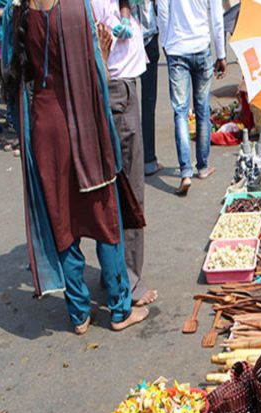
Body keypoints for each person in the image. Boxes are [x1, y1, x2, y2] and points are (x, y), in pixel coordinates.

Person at [1, 0, 148, 333]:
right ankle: (120, 309)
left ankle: (79, 313)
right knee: (105, 215)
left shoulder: (17, 12)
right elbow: (94, 73)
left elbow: (13, 81)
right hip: (82, 122)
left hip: (43, 126)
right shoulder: (75, 8)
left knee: (61, 219)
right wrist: (106, 55)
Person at [92, 0, 157, 307]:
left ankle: (116, 272)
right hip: (116, 85)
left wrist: (127, 14)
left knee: (120, 187)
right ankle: (127, 280)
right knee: (127, 191)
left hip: (124, 82)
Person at [157, 0, 226, 196]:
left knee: (180, 112)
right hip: (201, 47)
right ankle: (202, 167)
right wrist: (221, 54)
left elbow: (162, 12)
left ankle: (186, 172)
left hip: (177, 49)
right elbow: (216, 18)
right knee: (202, 109)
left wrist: (165, 42)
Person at [131, 0, 163, 176]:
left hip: (127, 39)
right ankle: (148, 160)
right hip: (148, 36)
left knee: (129, 103)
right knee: (148, 102)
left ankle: (132, 160)